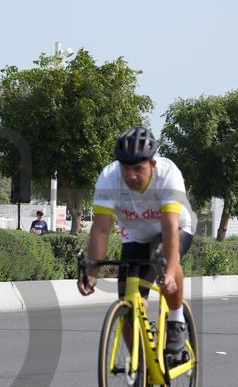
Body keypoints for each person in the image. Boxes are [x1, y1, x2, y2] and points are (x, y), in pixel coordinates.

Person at [77, 126, 196, 356]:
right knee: (128, 308)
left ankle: (176, 320)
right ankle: (141, 368)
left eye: (138, 169)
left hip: (176, 228)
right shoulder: (109, 178)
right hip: (135, 236)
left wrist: (169, 273)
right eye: (126, 169)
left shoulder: (168, 175)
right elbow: (101, 228)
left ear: (152, 164)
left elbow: (169, 227)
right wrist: (92, 272)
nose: (131, 175)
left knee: (162, 257)